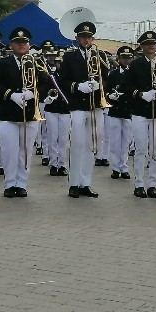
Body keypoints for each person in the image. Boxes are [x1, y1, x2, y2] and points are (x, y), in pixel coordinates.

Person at [0, 27, 45, 198]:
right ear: (11, 45)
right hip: (8, 113)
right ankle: (9, 183)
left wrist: (33, 93)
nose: (22, 45)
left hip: (29, 114)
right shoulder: (3, 63)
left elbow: (47, 84)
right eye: (18, 42)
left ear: (29, 45)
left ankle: (21, 183)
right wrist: (11, 95)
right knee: (9, 150)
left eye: (25, 42)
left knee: (25, 151)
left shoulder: (36, 62)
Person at [59, 21, 109, 198]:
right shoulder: (69, 57)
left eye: (89, 37)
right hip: (78, 106)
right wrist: (78, 86)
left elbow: (108, 78)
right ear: (77, 38)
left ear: (93, 38)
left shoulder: (100, 56)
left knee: (91, 145)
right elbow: (62, 81)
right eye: (83, 37)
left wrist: (100, 85)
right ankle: (73, 183)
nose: (86, 40)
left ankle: (85, 182)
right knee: (77, 144)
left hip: (95, 106)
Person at [122, 31, 156, 199]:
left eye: (153, 43)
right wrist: (141, 94)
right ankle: (139, 183)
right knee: (141, 149)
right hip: (140, 111)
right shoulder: (135, 64)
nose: (151, 46)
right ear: (141, 46)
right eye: (148, 44)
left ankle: (153, 184)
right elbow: (127, 86)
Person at [39, 49, 70, 177]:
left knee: (63, 139)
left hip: (65, 110)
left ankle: (62, 164)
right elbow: (41, 88)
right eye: (57, 62)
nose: (58, 63)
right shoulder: (47, 74)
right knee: (52, 137)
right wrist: (46, 98)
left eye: (61, 62)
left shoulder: (67, 75)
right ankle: (53, 164)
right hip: (51, 109)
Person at [105, 46, 134, 180]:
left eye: (128, 58)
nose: (126, 60)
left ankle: (124, 166)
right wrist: (110, 95)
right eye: (123, 58)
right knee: (115, 140)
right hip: (115, 110)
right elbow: (106, 90)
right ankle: (115, 168)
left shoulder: (135, 73)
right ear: (119, 59)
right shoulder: (114, 74)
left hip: (129, 110)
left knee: (126, 140)